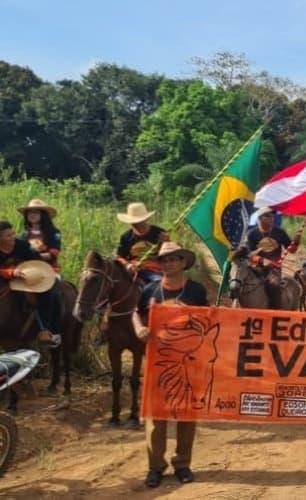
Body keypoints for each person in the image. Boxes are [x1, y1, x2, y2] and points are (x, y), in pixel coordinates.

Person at [133, 242, 209, 488]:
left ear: (183, 262)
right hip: (158, 360)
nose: (169, 264)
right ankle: (155, 467)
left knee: (186, 413)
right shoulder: (150, 290)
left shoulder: (196, 291)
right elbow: (136, 313)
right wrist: (139, 329)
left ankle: (183, 464)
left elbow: (209, 319)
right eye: (164, 260)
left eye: (173, 259)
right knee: (157, 415)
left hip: (189, 360)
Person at [0, 220, 62, 347]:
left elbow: (37, 260)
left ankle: (44, 329)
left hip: (24, 277)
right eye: (8, 236)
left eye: (13, 234)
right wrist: (10, 273)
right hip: (3, 278)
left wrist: (27, 271)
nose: (13, 237)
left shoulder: (22, 245)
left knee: (47, 292)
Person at [116, 202, 169, 283]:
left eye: (139, 221)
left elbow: (170, 254)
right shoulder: (126, 237)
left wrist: (167, 242)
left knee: (159, 282)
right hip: (133, 270)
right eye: (133, 222)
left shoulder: (159, 233)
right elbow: (120, 257)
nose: (136, 224)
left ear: (145, 219)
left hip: (155, 270)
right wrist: (128, 265)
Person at [243, 206, 299, 273]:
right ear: (260, 218)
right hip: (256, 269)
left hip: (274, 270)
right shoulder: (251, 234)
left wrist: (296, 242)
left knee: (274, 282)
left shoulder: (280, 232)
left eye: (272, 216)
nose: (271, 218)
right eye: (268, 216)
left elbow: (292, 250)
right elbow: (250, 255)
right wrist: (262, 260)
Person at [18, 199, 62, 273]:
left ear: (43, 215)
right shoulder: (24, 234)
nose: (32, 215)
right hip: (28, 268)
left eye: (36, 212)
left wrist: (34, 256)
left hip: (48, 267)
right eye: (30, 212)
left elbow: (54, 253)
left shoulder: (53, 233)